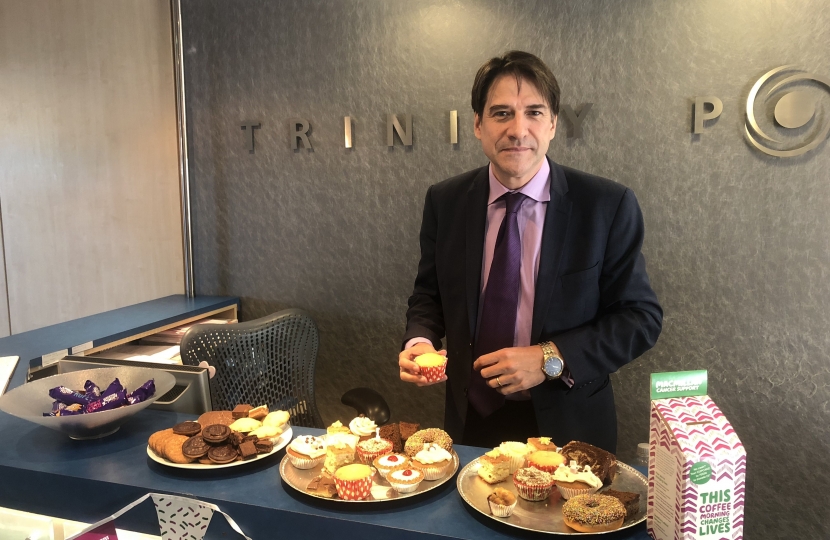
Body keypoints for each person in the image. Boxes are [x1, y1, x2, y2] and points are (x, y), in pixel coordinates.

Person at [398, 51, 662, 452]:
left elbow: (640, 319)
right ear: (477, 124)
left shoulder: (606, 205)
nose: (518, 130)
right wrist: (419, 341)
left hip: (569, 428)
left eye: (534, 113)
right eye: (501, 113)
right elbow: (429, 295)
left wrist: (548, 357)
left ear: (554, 123)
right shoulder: (445, 201)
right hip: (471, 424)